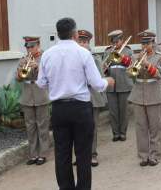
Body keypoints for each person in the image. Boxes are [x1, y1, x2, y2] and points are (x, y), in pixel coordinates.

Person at [37, 18, 114, 190]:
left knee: (62, 154)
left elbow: (41, 83)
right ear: (75, 33)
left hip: (59, 109)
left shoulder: (48, 54)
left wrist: (57, 84)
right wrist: (108, 81)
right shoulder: (83, 53)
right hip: (80, 109)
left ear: (58, 34)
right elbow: (97, 84)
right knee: (83, 155)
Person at [127, 30, 161, 167]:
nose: (144, 46)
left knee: (154, 127)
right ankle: (143, 156)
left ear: (153, 43)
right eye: (142, 43)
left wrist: (147, 64)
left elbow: (160, 74)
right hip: (138, 94)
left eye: (147, 43)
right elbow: (131, 75)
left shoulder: (160, 57)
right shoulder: (135, 56)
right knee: (141, 127)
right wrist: (133, 66)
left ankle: (155, 155)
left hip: (154, 94)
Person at [16, 36, 50, 166]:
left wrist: (38, 67)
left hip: (41, 94)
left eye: (32, 46)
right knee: (30, 127)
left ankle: (43, 154)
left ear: (38, 45)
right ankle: (33, 154)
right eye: (27, 47)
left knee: (42, 126)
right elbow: (18, 77)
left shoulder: (45, 58)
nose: (30, 49)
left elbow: (50, 74)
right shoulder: (24, 60)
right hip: (27, 96)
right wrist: (21, 72)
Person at [76, 30, 107, 167]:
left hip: (92, 97)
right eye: (80, 42)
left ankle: (92, 155)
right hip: (77, 98)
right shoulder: (73, 57)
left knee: (91, 128)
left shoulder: (94, 57)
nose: (82, 44)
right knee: (76, 129)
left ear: (89, 44)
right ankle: (80, 156)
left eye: (85, 42)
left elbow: (99, 77)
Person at [103, 30, 133, 142]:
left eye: (118, 41)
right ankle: (115, 133)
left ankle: (123, 132)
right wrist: (105, 69)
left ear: (122, 40)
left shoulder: (127, 51)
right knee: (113, 111)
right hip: (111, 85)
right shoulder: (108, 51)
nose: (116, 44)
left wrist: (121, 58)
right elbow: (104, 68)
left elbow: (132, 65)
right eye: (114, 42)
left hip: (124, 83)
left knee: (123, 110)